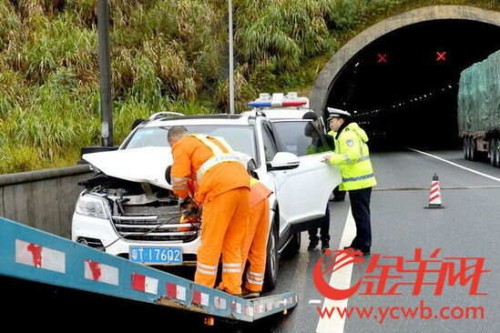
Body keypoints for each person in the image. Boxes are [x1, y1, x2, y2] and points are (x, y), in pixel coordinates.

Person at [168, 126, 250, 295]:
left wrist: (184, 198)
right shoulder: (212, 141)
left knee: (210, 243)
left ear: (173, 140)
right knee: (233, 242)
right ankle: (232, 287)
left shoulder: (181, 145)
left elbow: (179, 179)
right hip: (243, 186)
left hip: (220, 189)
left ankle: (203, 290)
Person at [322, 108, 377, 255]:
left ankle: (364, 245)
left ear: (341, 121)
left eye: (332, 121)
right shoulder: (343, 134)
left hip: (359, 182)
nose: (331, 125)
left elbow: (352, 156)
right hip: (358, 182)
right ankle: (358, 242)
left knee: (361, 214)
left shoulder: (347, 135)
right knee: (358, 214)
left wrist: (332, 159)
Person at [302, 111, 333, 251]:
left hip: (321, 180)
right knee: (312, 212)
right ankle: (314, 238)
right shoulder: (306, 139)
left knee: (323, 211)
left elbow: (330, 156)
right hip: (308, 180)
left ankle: (324, 239)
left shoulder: (325, 139)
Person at [241, 176, 273, 298]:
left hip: (248, 199)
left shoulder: (198, 178)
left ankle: (231, 288)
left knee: (239, 247)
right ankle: (253, 287)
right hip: (260, 194)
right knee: (257, 246)